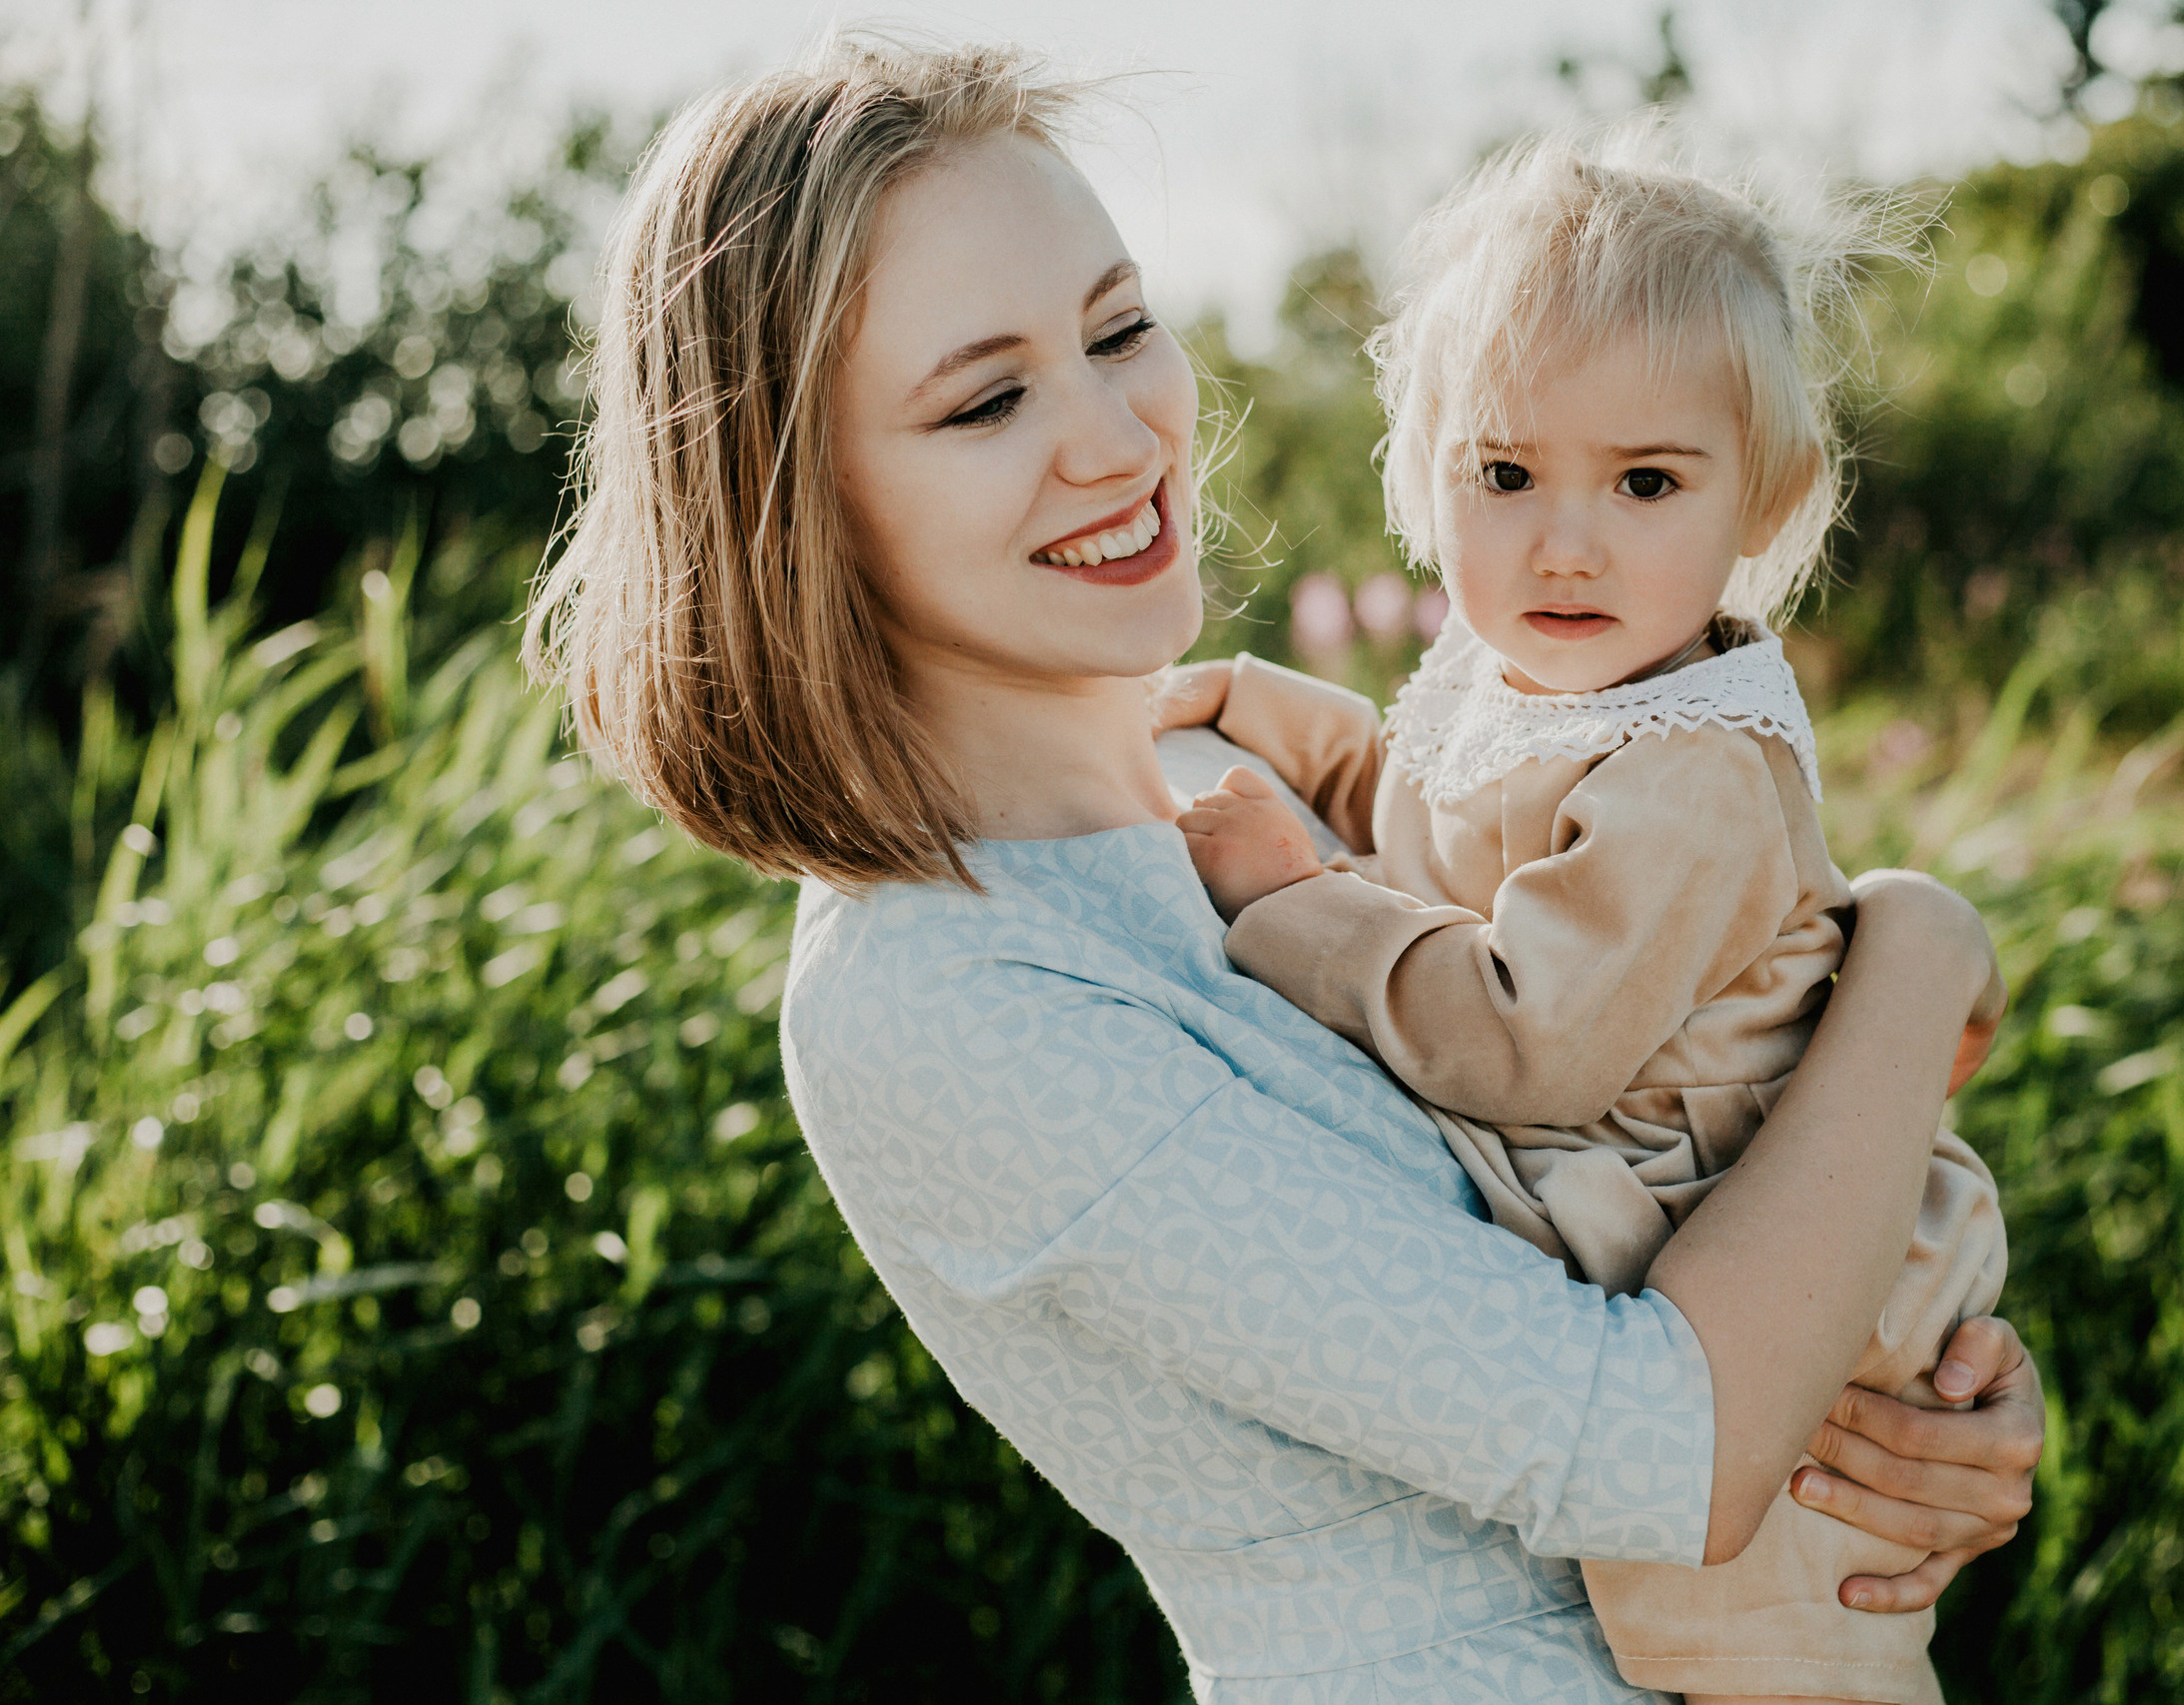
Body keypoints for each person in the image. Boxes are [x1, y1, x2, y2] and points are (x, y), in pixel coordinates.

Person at [527, 36, 2041, 1705]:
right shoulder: (942, 995)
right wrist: (1914, 943)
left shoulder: (1240, 787)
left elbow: (1673, 1193)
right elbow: (1666, 1447)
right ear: (790, 506)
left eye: (1117, 331)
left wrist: (1907, 1383)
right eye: (985, 398)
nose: (1115, 437)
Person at [1171, 130, 2001, 1705]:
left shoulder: (1693, 768)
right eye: (1506, 473)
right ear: (1427, 469)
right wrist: (1272, 716)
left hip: (1771, 1237)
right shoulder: (1535, 682)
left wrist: (1291, 904)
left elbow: (1523, 1036)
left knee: (1783, 1648)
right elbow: (1430, 816)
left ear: (1764, 501)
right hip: (1680, 1213)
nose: (1566, 539)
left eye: (1645, 481)